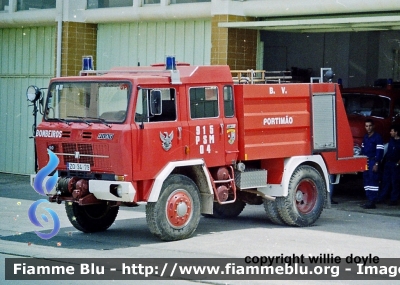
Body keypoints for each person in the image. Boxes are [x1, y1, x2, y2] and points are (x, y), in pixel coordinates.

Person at [360, 119, 384, 209]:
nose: (368, 128)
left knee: (373, 180)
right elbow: (362, 151)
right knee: (366, 181)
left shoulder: (378, 137)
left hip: (373, 161)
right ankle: (368, 200)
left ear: (373, 126)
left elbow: (380, 151)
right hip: (365, 161)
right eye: (366, 126)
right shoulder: (365, 137)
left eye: (370, 126)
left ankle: (372, 201)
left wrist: (376, 163)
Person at [377, 125, 400, 205]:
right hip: (388, 163)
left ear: (396, 132)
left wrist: (397, 163)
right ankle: (382, 197)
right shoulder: (391, 140)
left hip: (395, 164)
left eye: (392, 131)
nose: (390, 132)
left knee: (395, 182)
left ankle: (394, 199)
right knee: (385, 181)